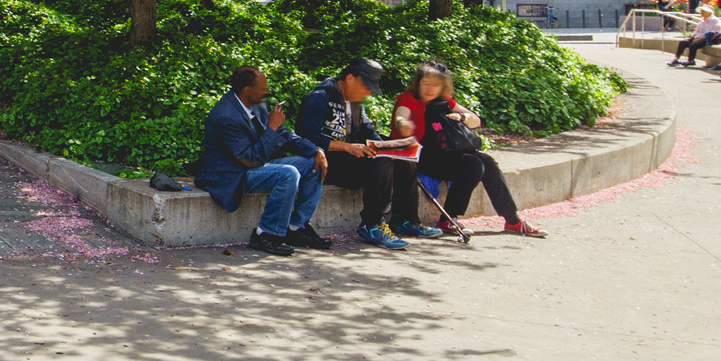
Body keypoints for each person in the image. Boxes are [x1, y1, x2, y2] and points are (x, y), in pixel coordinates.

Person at [298, 56, 433, 250]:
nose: (369, 92)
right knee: (382, 163)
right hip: (328, 163)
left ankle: (405, 218)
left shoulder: (355, 102)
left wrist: (390, 147)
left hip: (352, 158)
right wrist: (346, 147)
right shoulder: (319, 98)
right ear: (351, 78)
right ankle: (372, 224)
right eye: (367, 86)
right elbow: (306, 137)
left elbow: (368, 131)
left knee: (403, 161)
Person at [392, 62, 542, 237]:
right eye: (426, 83)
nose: (431, 88)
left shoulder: (445, 101)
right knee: (473, 164)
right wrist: (403, 124)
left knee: (486, 161)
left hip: (444, 155)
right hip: (417, 156)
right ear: (418, 82)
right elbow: (400, 117)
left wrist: (461, 117)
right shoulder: (407, 99)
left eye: (436, 84)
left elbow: (476, 121)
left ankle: (512, 220)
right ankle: (448, 219)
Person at [195, 65, 326, 257]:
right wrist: (271, 128)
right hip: (230, 174)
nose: (267, 92)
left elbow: (283, 133)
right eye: (262, 88)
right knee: (288, 174)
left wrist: (315, 150)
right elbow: (251, 159)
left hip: (252, 165)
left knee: (311, 164)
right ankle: (266, 234)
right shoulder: (225, 116)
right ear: (247, 91)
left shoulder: (256, 104)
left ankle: (296, 227)